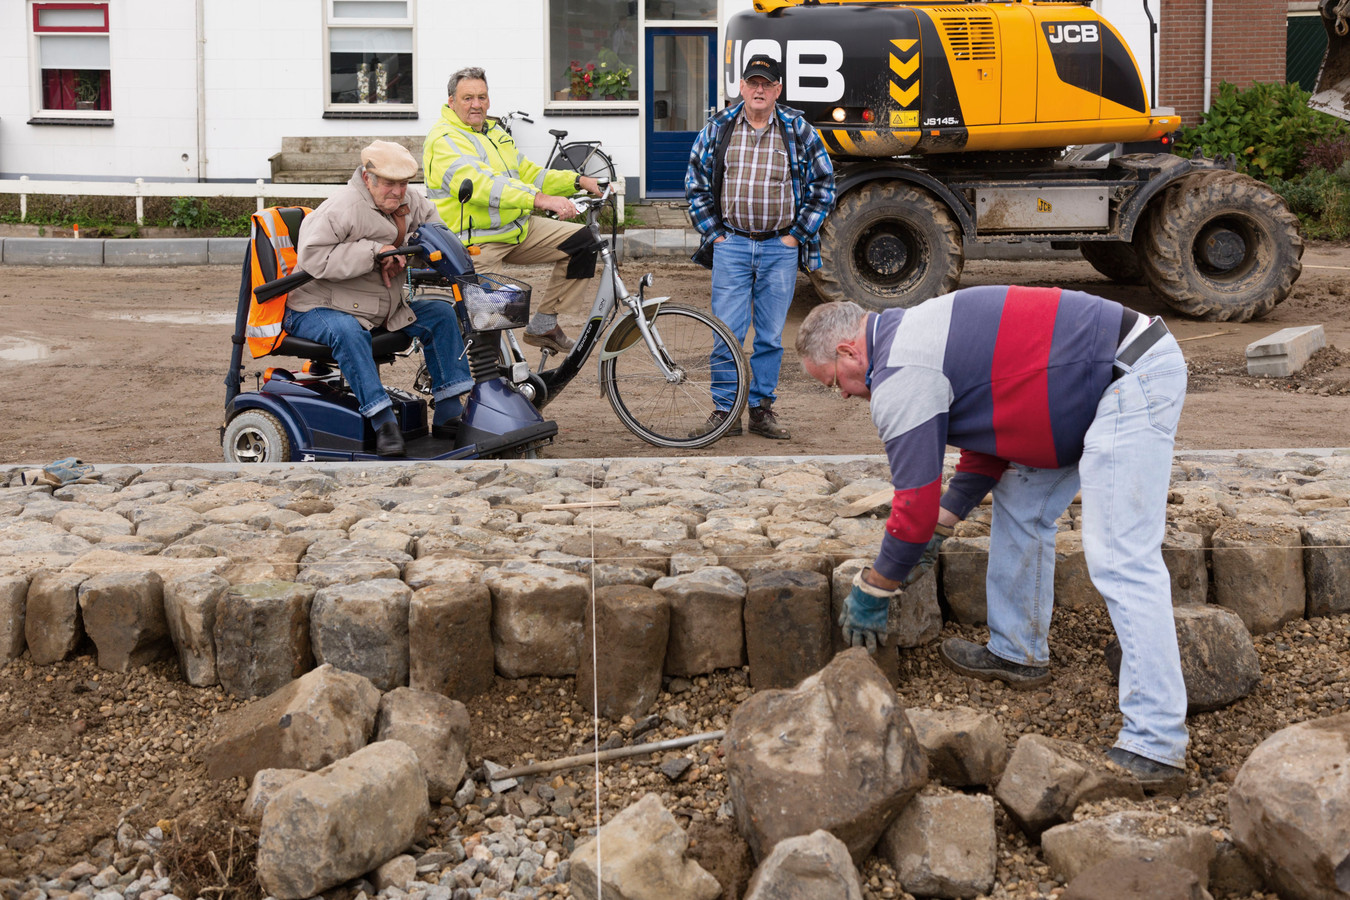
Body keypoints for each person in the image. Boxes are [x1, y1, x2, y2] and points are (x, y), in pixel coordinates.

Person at [796, 287, 1191, 794]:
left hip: (1127, 374)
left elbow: (911, 508)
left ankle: (1155, 740)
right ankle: (1018, 653)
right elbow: (994, 441)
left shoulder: (900, 372)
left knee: (1122, 558)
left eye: (834, 383)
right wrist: (943, 526)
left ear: (849, 352)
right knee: (1022, 505)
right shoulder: (915, 339)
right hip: (1089, 380)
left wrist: (876, 587)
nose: (845, 395)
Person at [285, 140, 473, 458]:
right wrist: (376, 252)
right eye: (389, 183)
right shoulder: (341, 207)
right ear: (368, 177)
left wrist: (423, 254)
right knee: (347, 331)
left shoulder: (410, 201)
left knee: (440, 314)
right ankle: (383, 421)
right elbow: (312, 257)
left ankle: (448, 413)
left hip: (376, 306)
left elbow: (436, 231)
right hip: (317, 306)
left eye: (403, 183)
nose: (398, 192)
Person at [685, 54, 835, 440]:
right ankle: (725, 412)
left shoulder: (797, 129)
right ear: (741, 87)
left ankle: (761, 410)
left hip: (779, 248)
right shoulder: (719, 127)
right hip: (732, 244)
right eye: (753, 83)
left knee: (769, 336)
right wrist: (714, 234)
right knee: (726, 333)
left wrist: (795, 236)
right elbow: (695, 183)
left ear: (777, 90)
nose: (759, 90)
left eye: (766, 84)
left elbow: (824, 185)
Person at [424, 66, 603, 355]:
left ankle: (545, 324)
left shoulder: (494, 133)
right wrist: (540, 200)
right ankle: (487, 386)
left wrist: (578, 181)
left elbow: (528, 174)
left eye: (482, 97)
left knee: (584, 241)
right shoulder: (445, 140)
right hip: (477, 242)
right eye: (467, 98)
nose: (476, 104)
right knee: (492, 326)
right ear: (451, 102)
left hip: (515, 230)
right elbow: (484, 185)